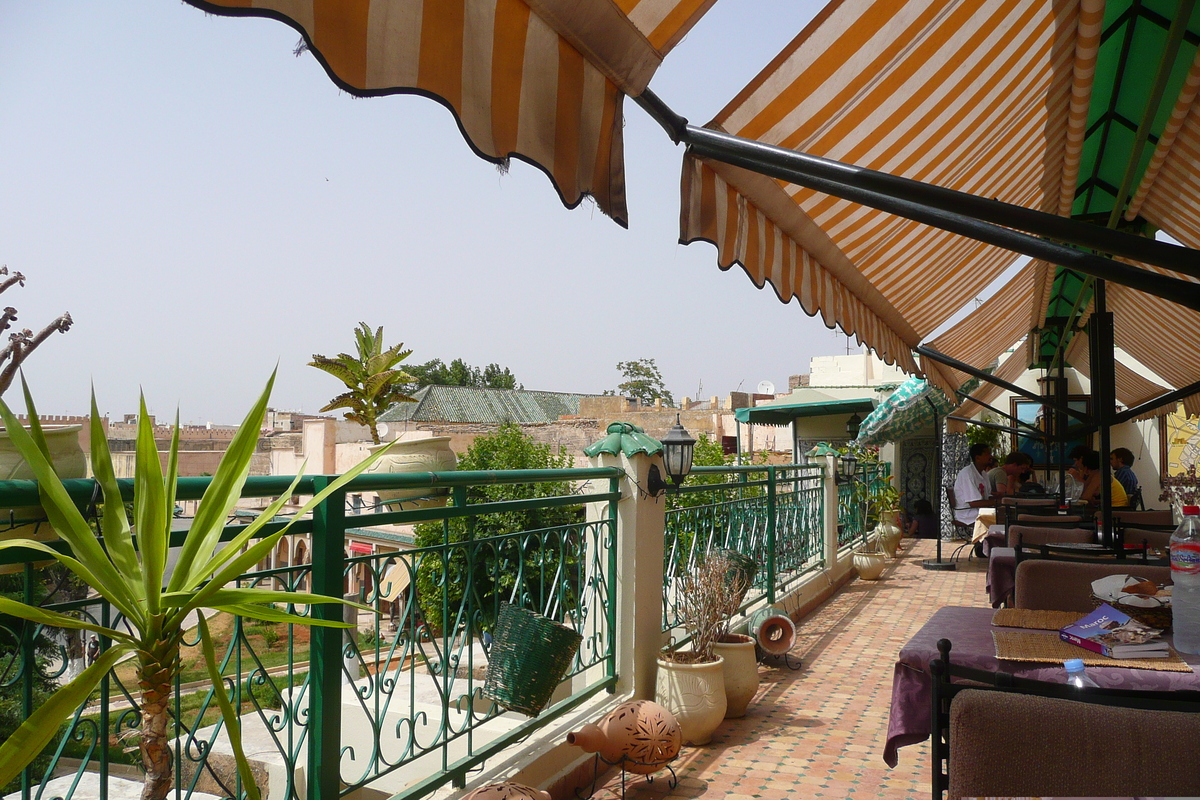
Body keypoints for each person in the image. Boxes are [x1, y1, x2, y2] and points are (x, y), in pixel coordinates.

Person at [953, 443, 993, 527]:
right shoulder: (967, 473)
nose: (991, 456)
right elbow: (973, 503)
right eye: (987, 454)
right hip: (967, 514)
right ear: (977, 458)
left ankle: (995, 536)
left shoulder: (984, 474)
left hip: (979, 510)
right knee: (1003, 517)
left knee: (1006, 513)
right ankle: (992, 537)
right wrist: (998, 502)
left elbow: (988, 497)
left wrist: (1004, 500)